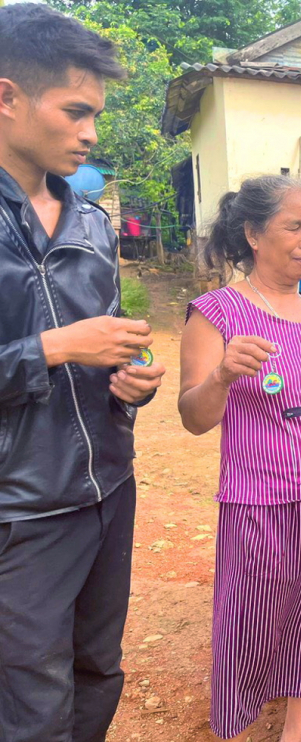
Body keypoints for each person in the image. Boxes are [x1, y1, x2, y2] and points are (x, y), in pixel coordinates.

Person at [0, 7, 166, 741]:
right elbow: (68, 346)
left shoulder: (94, 224)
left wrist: (128, 384)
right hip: (23, 512)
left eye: (95, 113)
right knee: (32, 699)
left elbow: (108, 357)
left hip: (108, 488)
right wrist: (60, 347)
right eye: (75, 111)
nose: (92, 132)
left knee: (99, 669)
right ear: (6, 97)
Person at [178, 176, 301, 742]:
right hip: (261, 505)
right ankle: (234, 727)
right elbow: (193, 417)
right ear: (254, 234)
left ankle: (296, 733)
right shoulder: (216, 314)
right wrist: (222, 375)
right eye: (295, 227)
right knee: (253, 626)